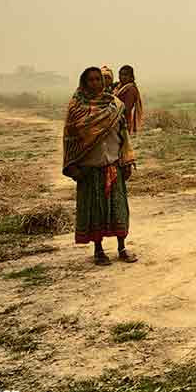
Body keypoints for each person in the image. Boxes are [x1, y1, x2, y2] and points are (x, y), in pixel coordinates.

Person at [62, 66, 138, 265]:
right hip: (90, 169)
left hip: (114, 165)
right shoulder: (76, 108)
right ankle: (98, 251)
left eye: (99, 79)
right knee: (95, 212)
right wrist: (73, 167)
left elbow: (124, 134)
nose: (96, 83)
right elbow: (70, 139)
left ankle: (122, 248)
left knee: (119, 209)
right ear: (84, 82)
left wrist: (127, 160)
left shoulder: (115, 104)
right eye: (91, 80)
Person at [114, 65, 144, 135]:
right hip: (116, 120)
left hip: (123, 121)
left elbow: (127, 109)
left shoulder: (131, 89)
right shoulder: (118, 87)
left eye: (126, 75)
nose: (123, 77)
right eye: (121, 74)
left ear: (131, 77)